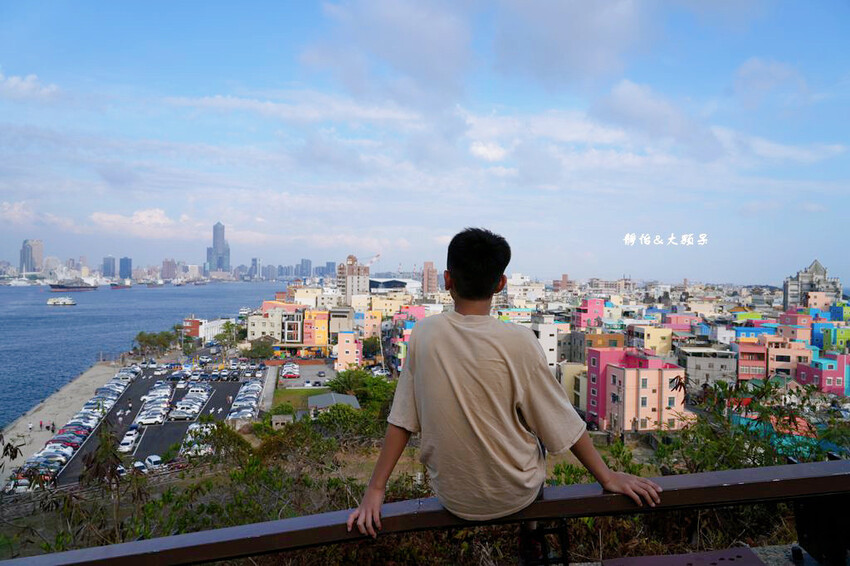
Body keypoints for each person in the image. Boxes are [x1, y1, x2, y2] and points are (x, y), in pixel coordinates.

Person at [347, 228, 662, 538]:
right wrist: (606, 477)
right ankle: (531, 539)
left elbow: (401, 420)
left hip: (453, 498)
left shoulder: (424, 334)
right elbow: (563, 422)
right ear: (500, 283)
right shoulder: (520, 341)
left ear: (447, 280)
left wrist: (376, 489)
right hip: (517, 494)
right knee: (530, 426)